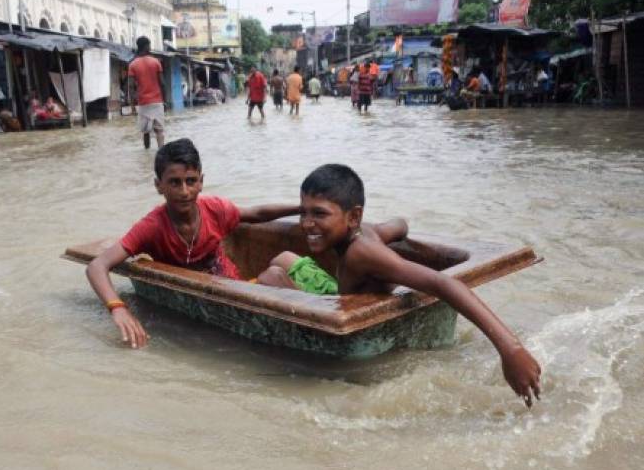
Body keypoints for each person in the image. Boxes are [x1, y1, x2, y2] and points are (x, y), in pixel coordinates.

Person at [256, 164, 543, 407]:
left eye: (319, 214)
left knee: (269, 277)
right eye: (303, 212)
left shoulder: (363, 253)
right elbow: (400, 224)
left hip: (346, 315)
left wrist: (511, 350)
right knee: (283, 258)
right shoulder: (366, 232)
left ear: (353, 216)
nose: (306, 224)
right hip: (340, 292)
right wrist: (394, 230)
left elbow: (442, 282)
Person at [85, 138, 301, 348]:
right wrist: (118, 308)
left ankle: (307, 330)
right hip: (207, 301)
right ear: (159, 186)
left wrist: (301, 208)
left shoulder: (214, 209)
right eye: (174, 182)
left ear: (201, 182)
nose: (184, 191)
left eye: (191, 181)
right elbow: (97, 266)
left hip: (236, 290)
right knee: (273, 277)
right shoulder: (152, 226)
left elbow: (256, 213)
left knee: (279, 268)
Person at [128, 36, 167, 149]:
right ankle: (161, 154)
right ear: (146, 46)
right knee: (159, 131)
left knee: (145, 131)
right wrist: (164, 101)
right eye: (149, 45)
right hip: (157, 101)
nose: (150, 47)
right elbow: (162, 83)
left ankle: (146, 152)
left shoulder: (133, 64)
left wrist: (132, 105)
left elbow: (131, 87)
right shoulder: (156, 62)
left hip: (143, 103)